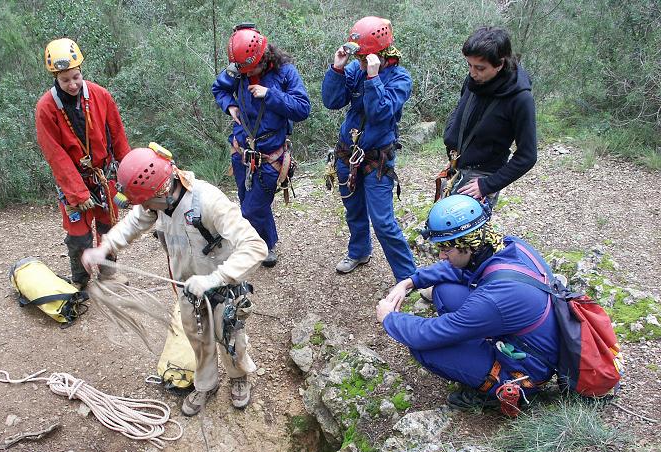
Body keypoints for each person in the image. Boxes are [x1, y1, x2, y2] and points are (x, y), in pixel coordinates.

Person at [81, 145, 268, 417]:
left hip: (224, 287)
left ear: (161, 190)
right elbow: (132, 224)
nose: (143, 207)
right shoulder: (157, 204)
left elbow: (255, 246)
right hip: (186, 287)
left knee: (230, 336)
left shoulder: (208, 202)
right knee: (197, 337)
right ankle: (206, 383)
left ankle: (238, 375)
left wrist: (215, 278)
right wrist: (105, 248)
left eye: (145, 202)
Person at [375, 194, 559, 415]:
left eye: (446, 249)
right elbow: (462, 268)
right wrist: (411, 281)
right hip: (527, 338)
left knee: (424, 349)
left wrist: (390, 318)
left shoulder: (493, 298)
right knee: (444, 290)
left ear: (467, 246)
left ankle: (497, 391)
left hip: (526, 370)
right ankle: (475, 346)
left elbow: (427, 334)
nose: (441, 255)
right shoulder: (508, 246)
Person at [321, 16, 416, 281]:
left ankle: (408, 276)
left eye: (365, 58)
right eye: (359, 58)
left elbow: (380, 113)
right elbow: (332, 101)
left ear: (380, 53)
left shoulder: (400, 78)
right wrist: (337, 70)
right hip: (347, 154)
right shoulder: (354, 70)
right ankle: (359, 251)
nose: (360, 63)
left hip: (377, 159)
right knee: (354, 210)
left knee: (383, 221)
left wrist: (373, 78)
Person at [212, 23, 311, 268]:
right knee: (249, 199)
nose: (246, 74)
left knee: (250, 208)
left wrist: (270, 94)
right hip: (242, 152)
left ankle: (256, 246)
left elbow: (302, 108)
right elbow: (219, 88)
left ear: (263, 57)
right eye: (242, 70)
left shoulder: (285, 73)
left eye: (251, 69)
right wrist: (229, 105)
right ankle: (267, 243)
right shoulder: (238, 69)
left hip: (270, 157)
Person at [35, 38, 131, 290]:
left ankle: (109, 274)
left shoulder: (101, 96)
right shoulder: (46, 108)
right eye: (65, 80)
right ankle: (81, 281)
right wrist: (77, 191)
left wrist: (128, 174)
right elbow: (54, 153)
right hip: (72, 181)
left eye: (76, 77)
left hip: (103, 176)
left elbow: (118, 136)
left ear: (81, 72)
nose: (72, 84)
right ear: (55, 77)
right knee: (78, 236)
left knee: (108, 227)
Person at [443, 26, 537, 208]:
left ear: (500, 64)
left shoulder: (520, 99)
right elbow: (460, 109)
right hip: (456, 168)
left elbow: (528, 156)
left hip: (481, 178)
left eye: (480, 68)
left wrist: (488, 185)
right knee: (442, 230)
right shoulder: (474, 80)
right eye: (469, 65)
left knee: (466, 236)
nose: (472, 72)